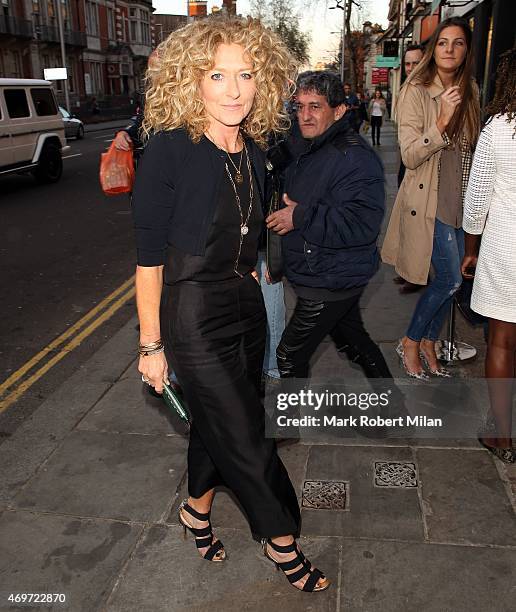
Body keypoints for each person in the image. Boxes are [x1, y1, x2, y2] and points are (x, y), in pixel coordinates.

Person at [132, 16, 330, 592]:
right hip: (192, 313)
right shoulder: (170, 149)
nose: (234, 88)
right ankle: (282, 539)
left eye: (246, 74)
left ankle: (195, 509)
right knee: (249, 434)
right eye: (217, 74)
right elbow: (148, 260)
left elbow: (258, 221)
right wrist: (151, 346)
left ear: (263, 80)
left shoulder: (256, 150)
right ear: (191, 80)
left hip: (246, 304)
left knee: (220, 423)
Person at [266, 71, 405, 418]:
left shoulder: (354, 157)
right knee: (353, 340)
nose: (305, 115)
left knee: (289, 354)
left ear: (339, 111)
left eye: (316, 106)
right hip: (325, 271)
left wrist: (299, 217)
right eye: (299, 106)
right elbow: (272, 161)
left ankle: (287, 425)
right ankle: (393, 409)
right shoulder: (308, 143)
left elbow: (361, 224)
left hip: (331, 277)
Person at [381, 17, 481, 379]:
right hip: (429, 200)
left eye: (458, 43)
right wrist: (440, 122)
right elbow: (408, 156)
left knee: (450, 279)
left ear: (467, 49)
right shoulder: (415, 90)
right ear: (432, 49)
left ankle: (426, 342)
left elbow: (473, 151)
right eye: (443, 43)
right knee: (451, 280)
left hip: (461, 198)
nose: (450, 49)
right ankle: (411, 340)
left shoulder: (471, 88)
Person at [461, 47, 516, 463]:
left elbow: (477, 198)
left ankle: (501, 434)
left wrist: (470, 250)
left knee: (501, 340)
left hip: (504, 246)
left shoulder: (499, 127)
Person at [394, 44, 425, 294]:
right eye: (408, 64)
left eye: (417, 63)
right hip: (405, 159)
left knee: (416, 226)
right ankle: (406, 271)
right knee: (405, 218)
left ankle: (415, 276)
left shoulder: (426, 92)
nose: (412, 68)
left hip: (420, 163)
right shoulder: (407, 89)